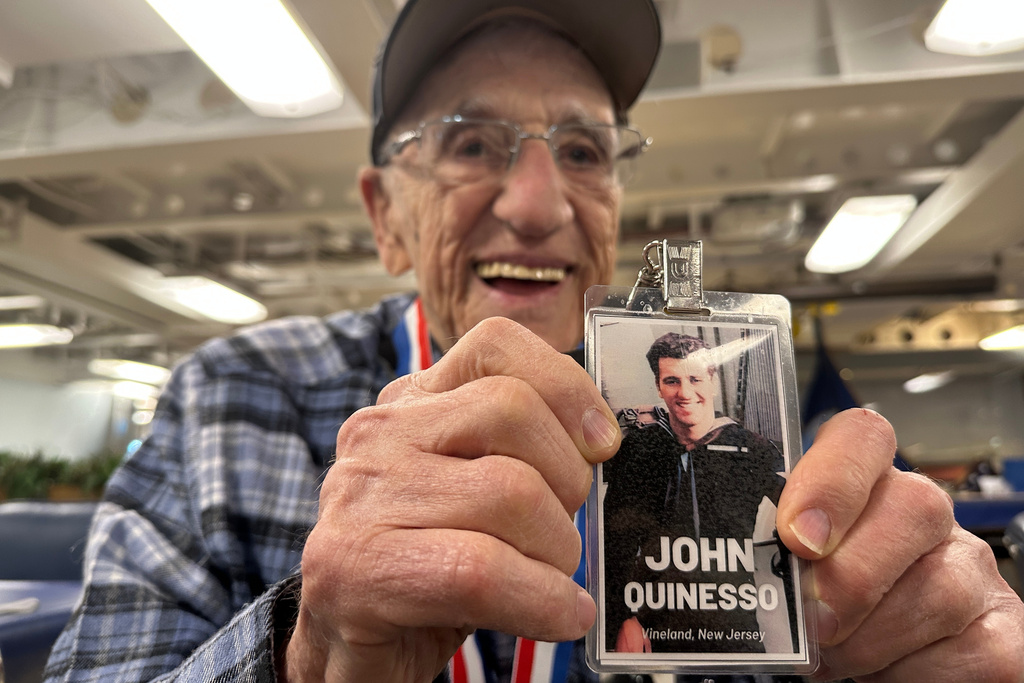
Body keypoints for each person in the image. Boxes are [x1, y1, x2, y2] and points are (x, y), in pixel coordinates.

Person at [42, 0, 1024, 681]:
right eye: (472, 143)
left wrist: (909, 639)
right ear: (386, 215)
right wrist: (308, 656)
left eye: (585, 151)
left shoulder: (720, 416)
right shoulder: (232, 397)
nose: (539, 202)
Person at [603, 332, 792, 655]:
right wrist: (622, 619)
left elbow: (798, 523)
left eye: (695, 379)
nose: (685, 393)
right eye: (672, 381)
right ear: (659, 387)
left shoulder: (751, 450)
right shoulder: (639, 451)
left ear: (712, 381)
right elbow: (612, 545)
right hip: (652, 634)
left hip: (735, 634)